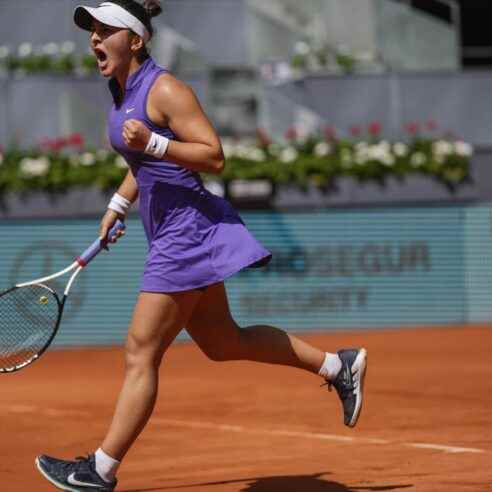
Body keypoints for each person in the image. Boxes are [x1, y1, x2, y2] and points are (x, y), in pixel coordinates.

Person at [35, 1, 367, 490]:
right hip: (171, 231)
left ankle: (100, 470)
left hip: (186, 234)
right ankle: (339, 366)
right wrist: (118, 205)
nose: (94, 39)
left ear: (136, 39)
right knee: (222, 342)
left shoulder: (165, 89)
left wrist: (154, 143)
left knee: (140, 351)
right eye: (92, 30)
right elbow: (141, 164)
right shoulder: (121, 92)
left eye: (105, 30)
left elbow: (213, 156)